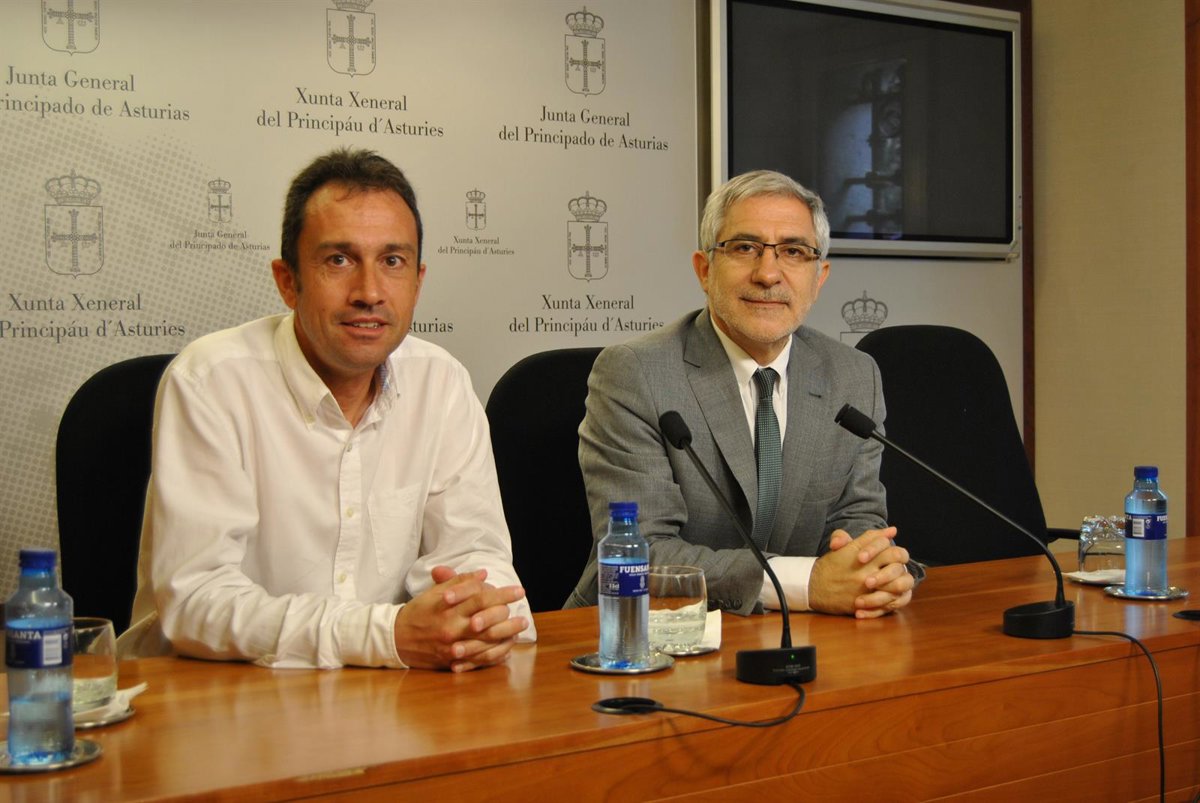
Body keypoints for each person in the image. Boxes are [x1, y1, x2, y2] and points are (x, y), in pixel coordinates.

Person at [119, 148, 533, 670]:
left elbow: (476, 558)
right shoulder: (211, 381)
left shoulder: (442, 381)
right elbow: (197, 602)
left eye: (392, 262)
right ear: (287, 281)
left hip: (394, 692)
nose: (369, 292)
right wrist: (385, 635)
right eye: (339, 260)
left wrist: (478, 617)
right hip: (215, 691)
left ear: (418, 280)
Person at [566, 170, 919, 617]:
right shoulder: (635, 374)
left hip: (807, 632)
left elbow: (858, 520)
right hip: (643, 631)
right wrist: (807, 583)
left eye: (794, 251)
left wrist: (871, 573)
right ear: (704, 269)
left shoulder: (854, 375)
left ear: (819, 277)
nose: (768, 274)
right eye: (745, 248)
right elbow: (641, 552)